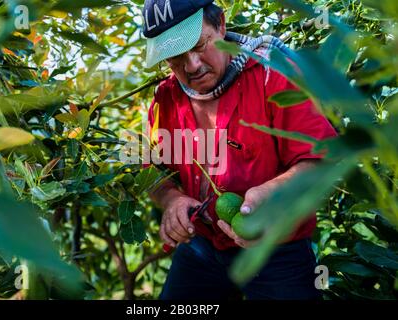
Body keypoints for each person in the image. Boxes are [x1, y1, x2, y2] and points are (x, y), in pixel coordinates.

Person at [142, 0, 337, 300]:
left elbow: (322, 160)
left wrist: (273, 194)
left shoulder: (275, 74)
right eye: (175, 57)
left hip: (278, 250)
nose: (191, 65)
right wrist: (171, 199)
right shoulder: (166, 97)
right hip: (202, 248)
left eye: (199, 44)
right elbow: (151, 169)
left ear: (220, 24)